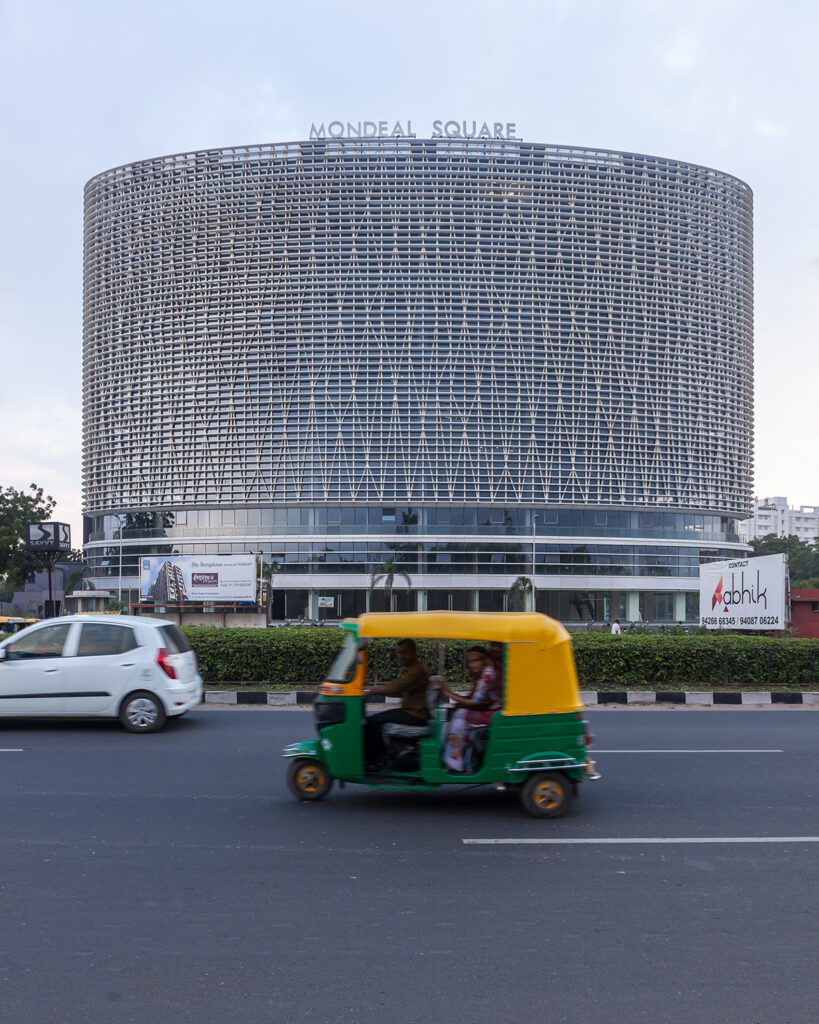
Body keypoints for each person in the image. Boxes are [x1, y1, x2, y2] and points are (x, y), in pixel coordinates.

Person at [363, 639, 430, 768]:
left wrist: (370, 692)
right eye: (399, 653)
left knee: (371, 723)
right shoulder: (412, 669)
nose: (401, 656)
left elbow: (395, 688)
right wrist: (374, 693)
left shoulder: (416, 671)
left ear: (413, 653)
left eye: (405, 652)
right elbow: (398, 691)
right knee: (374, 720)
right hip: (410, 711)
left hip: (415, 715)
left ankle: (378, 760)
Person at [435, 646, 502, 773]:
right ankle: (461, 759)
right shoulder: (485, 674)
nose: (472, 664)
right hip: (492, 710)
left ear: (484, 660)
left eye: (476, 660)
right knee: (460, 713)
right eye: (470, 661)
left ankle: (454, 762)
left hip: (496, 713)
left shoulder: (487, 675)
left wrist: (448, 693)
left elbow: (475, 701)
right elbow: (476, 699)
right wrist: (460, 703)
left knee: (459, 720)